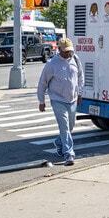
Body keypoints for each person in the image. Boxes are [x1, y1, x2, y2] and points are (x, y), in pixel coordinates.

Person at [37, 38, 84, 166]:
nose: (68, 53)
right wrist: (41, 101)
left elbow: (80, 76)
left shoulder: (75, 59)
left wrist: (79, 93)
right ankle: (69, 153)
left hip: (72, 99)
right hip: (58, 99)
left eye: (70, 51)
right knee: (64, 127)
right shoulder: (52, 64)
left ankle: (59, 142)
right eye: (66, 51)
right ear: (59, 50)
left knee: (70, 126)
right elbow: (42, 84)